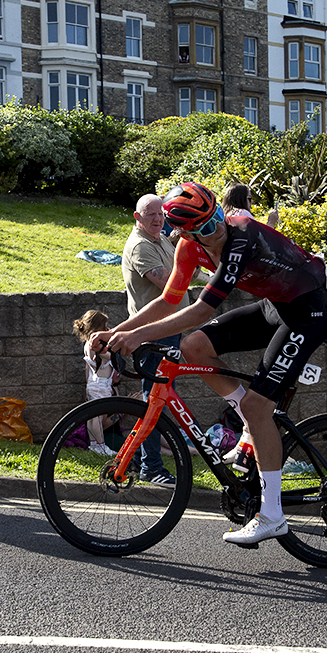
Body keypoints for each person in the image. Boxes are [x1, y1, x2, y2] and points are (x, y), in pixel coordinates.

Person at [97, 182, 327, 544]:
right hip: (276, 306)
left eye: (217, 218)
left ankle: (272, 516)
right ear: (187, 234)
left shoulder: (240, 236)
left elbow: (203, 309)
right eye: (206, 229)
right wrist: (120, 329)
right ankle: (248, 418)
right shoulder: (189, 250)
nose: (217, 228)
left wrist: (140, 337)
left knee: (259, 406)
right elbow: (168, 300)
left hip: (309, 312)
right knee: (194, 347)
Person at [118, 193, 190, 485]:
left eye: (161, 213)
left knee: (155, 398)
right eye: (151, 214)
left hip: (171, 329)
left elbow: (186, 273)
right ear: (137, 217)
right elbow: (171, 282)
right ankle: (151, 466)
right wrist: (189, 268)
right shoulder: (140, 246)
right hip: (155, 334)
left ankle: (138, 459)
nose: (158, 218)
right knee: (153, 401)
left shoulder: (160, 238)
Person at [72, 310, 120, 457]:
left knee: (94, 417)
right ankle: (99, 445)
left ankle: (96, 444)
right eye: (104, 327)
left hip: (94, 384)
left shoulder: (87, 345)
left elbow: (88, 368)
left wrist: (88, 386)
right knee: (97, 418)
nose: (107, 330)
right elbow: (108, 356)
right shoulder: (96, 347)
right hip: (101, 385)